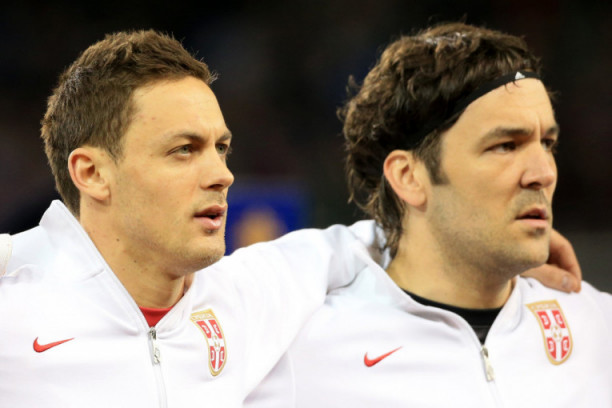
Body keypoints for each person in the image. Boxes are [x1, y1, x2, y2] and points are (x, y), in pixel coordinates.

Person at [0, 29, 581, 407]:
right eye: (183, 150)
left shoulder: (246, 296)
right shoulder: (15, 297)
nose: (222, 174)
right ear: (92, 173)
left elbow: (350, 243)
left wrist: (492, 239)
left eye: (221, 148)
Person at [244, 23, 611, 407]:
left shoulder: (597, 330)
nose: (544, 173)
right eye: (506, 145)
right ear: (409, 177)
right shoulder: (304, 355)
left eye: (547, 143)